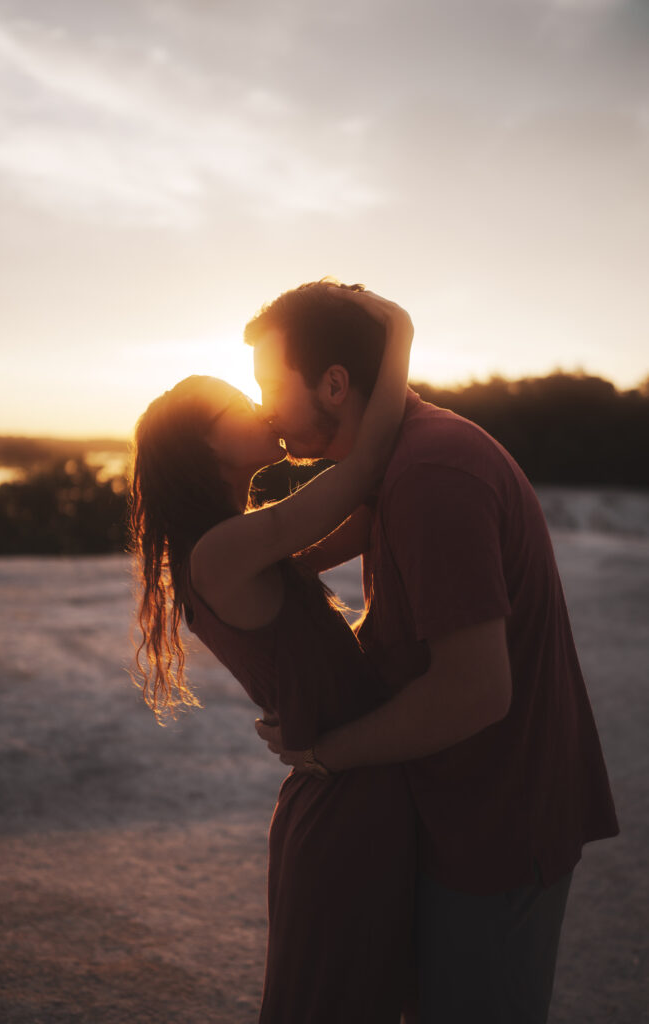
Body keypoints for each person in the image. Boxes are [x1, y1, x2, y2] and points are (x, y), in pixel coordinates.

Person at [250, 278, 620, 1024]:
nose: (263, 410)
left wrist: (327, 750)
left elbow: (478, 689)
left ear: (333, 383)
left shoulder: (432, 476)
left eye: (267, 385)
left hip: (498, 832)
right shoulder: (404, 460)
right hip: (462, 812)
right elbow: (366, 556)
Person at [129, 287, 420, 1023]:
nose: (263, 412)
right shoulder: (225, 550)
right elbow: (363, 474)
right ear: (205, 446)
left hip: (347, 786)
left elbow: (364, 513)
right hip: (344, 800)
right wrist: (400, 340)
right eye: (242, 405)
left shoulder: (240, 543)